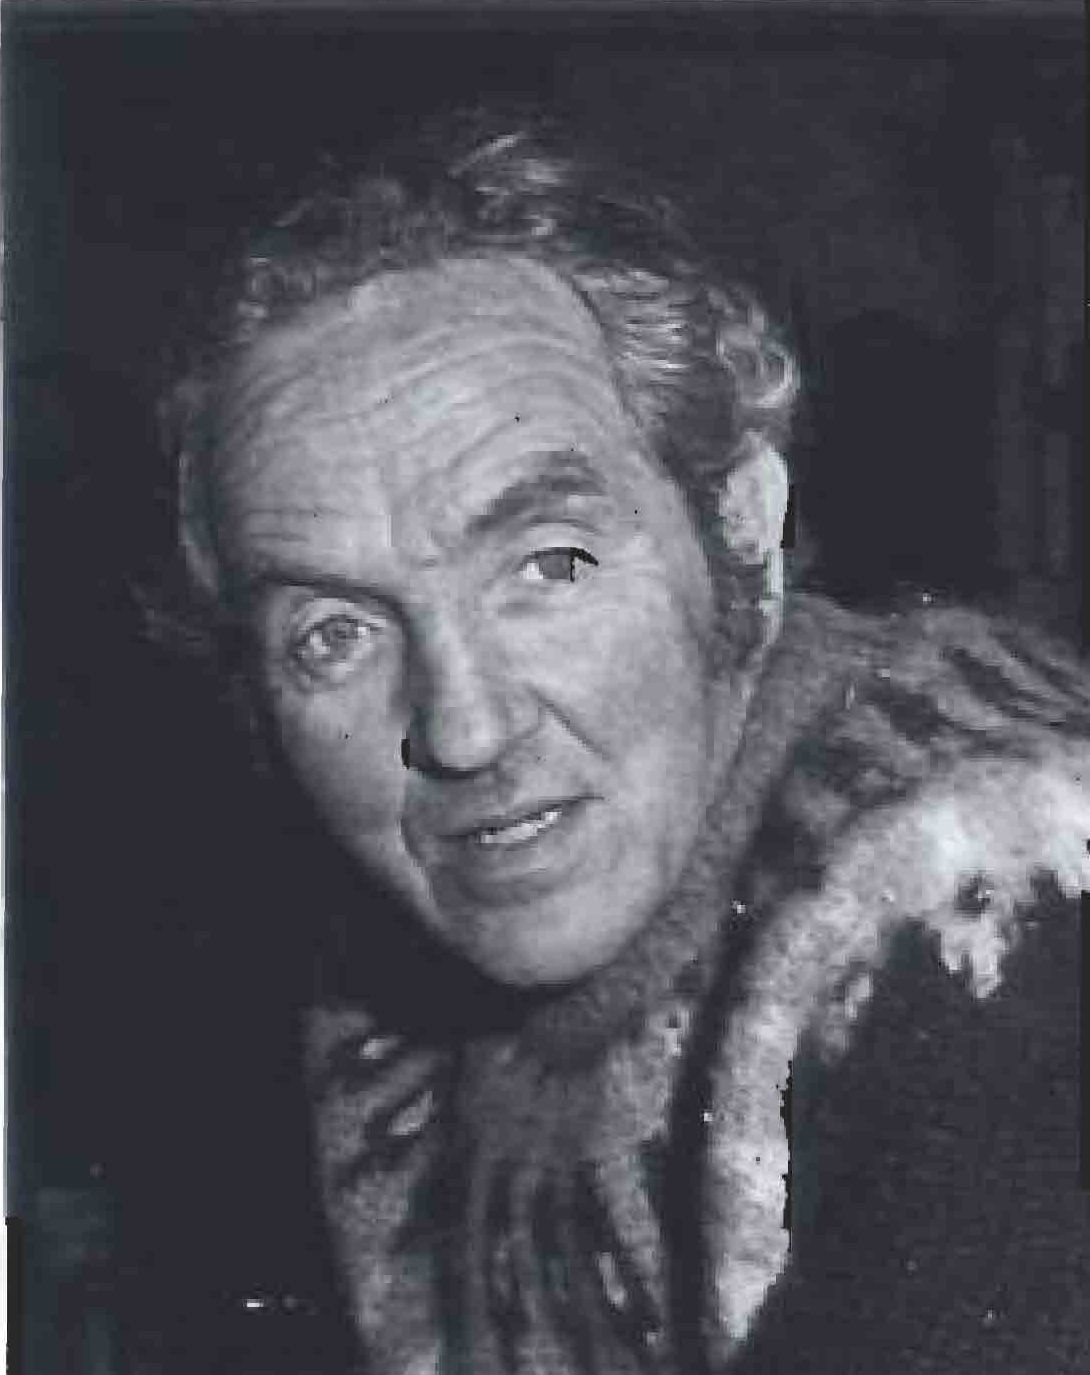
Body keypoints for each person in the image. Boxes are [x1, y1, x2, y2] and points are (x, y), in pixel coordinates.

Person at [159, 109, 1090, 1375]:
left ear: (742, 531)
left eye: (549, 565)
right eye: (334, 635)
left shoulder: (1004, 909)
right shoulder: (395, 1007)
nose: (464, 728)